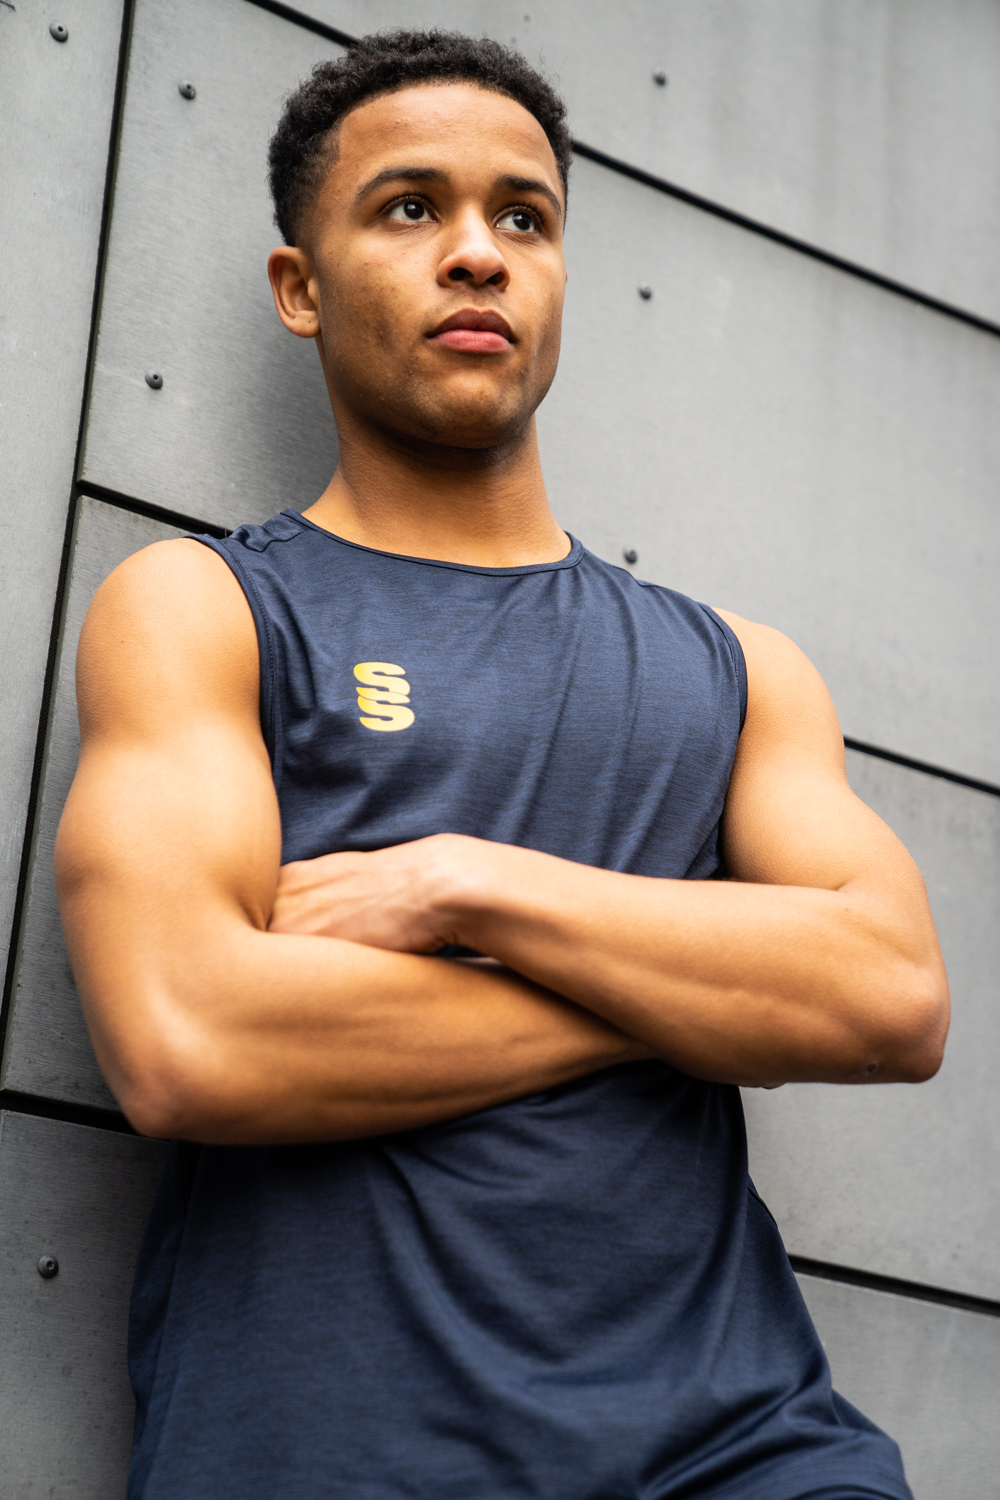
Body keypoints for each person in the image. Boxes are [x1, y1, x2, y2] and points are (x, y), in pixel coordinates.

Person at [56, 30, 948, 1500]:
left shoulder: (739, 672)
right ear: (300, 286)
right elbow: (189, 1040)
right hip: (338, 1458)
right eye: (411, 207)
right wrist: (684, 1006)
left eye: (523, 217)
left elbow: (893, 997)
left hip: (745, 1455)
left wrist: (462, 885)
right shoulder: (207, 609)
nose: (478, 252)